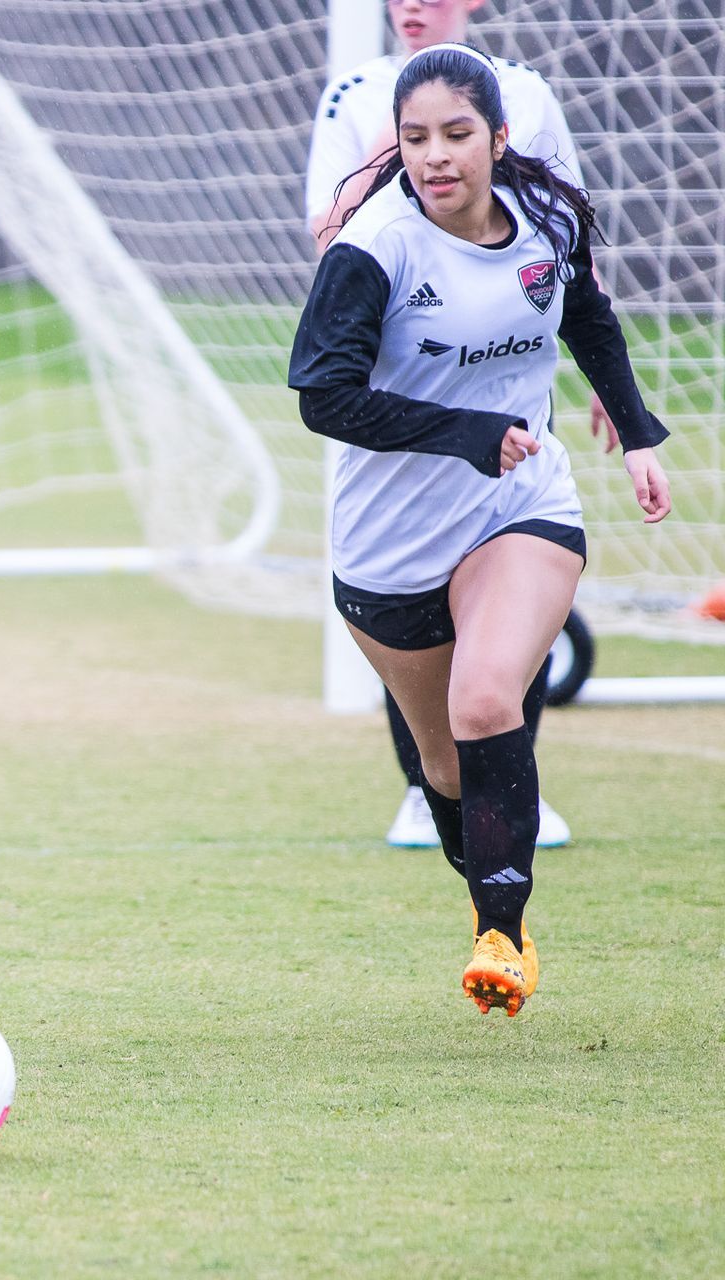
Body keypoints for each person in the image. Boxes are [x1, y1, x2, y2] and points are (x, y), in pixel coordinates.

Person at [290, 43, 670, 1015]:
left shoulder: (548, 215)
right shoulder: (373, 249)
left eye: (457, 134)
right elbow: (322, 397)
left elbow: (585, 311)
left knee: (489, 694)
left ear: (500, 139)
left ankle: (503, 927)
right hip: (388, 545)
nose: (436, 155)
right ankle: (485, 887)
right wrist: (462, 432)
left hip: (520, 501)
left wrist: (634, 429)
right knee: (445, 764)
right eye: (415, 138)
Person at [307, 0, 598, 850]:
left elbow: (567, 248)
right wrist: (381, 174)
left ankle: (514, 796)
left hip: (512, 431)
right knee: (410, 611)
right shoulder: (352, 93)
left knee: (503, 628)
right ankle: (424, 785)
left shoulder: (530, 97)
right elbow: (328, 238)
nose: (414, 6)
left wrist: (615, 392)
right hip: (398, 401)